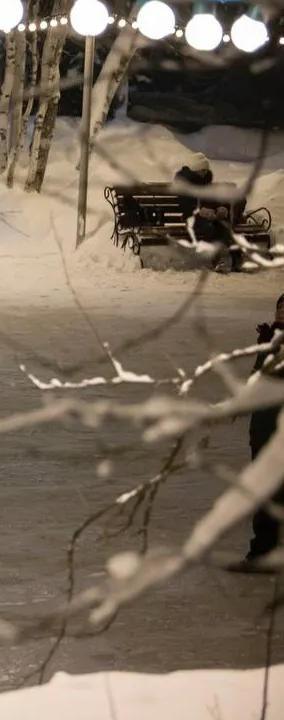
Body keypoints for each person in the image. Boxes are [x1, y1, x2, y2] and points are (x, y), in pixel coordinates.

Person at [233, 293, 284, 572]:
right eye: (279, 307)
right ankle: (262, 552)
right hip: (264, 427)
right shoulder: (269, 338)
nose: (281, 312)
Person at [173, 152, 237, 271]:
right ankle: (211, 259)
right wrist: (200, 211)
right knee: (209, 226)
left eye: (206, 170)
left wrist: (221, 208)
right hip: (192, 217)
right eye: (202, 170)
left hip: (209, 215)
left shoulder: (206, 182)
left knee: (223, 224)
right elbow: (185, 205)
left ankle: (226, 258)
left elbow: (214, 199)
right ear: (195, 169)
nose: (205, 172)